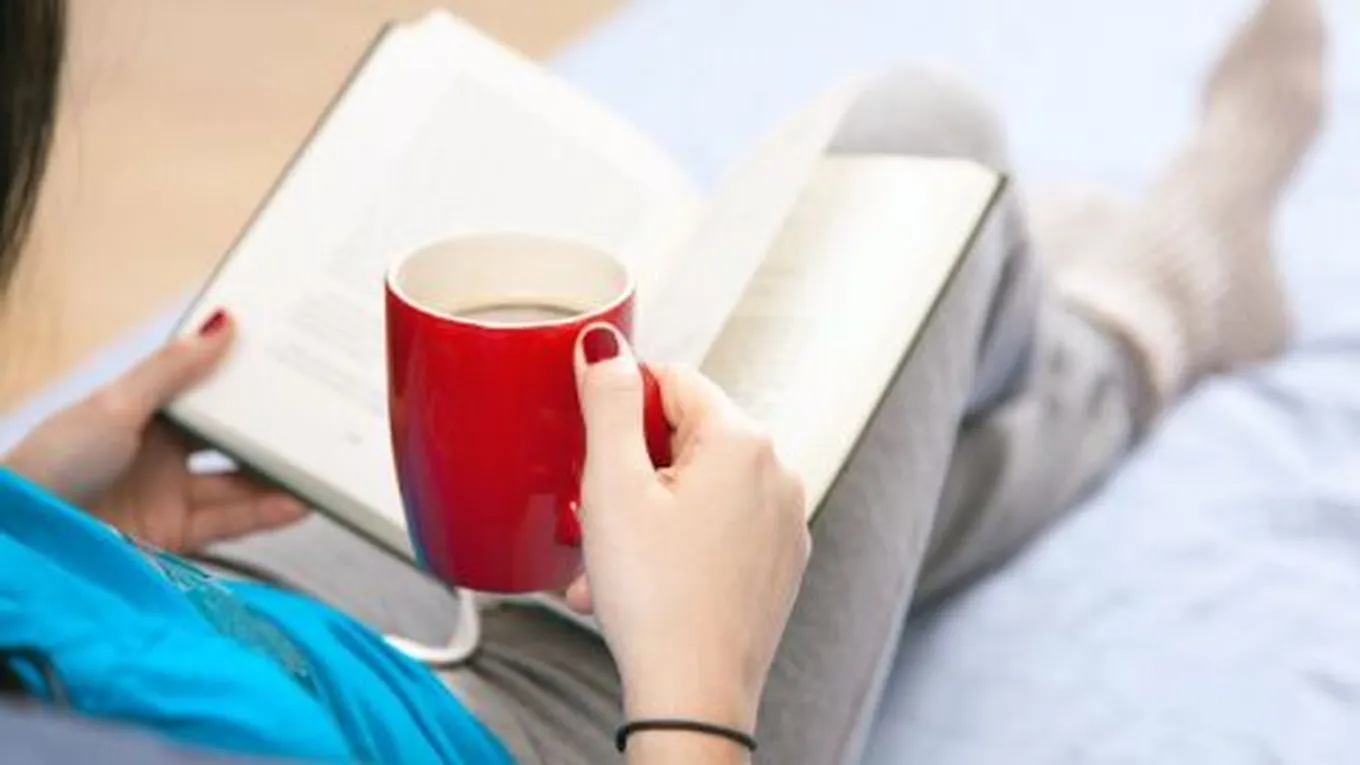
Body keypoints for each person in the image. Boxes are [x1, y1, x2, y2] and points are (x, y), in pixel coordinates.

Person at [0, 0, 1327, 762]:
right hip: (535, 730)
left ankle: (1094, 326)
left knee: (796, 470)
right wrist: (698, 697)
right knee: (919, 147)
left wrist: (35, 512)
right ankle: (1143, 317)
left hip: (199, 610)